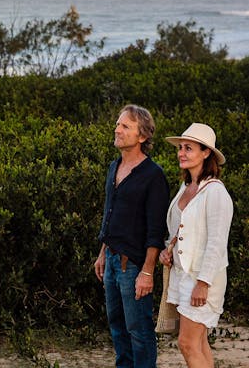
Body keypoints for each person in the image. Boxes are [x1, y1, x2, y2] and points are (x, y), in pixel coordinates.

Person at [95, 104, 170, 368]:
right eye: (118, 123)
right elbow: (109, 212)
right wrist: (102, 253)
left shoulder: (153, 175)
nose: (117, 129)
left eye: (125, 126)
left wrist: (147, 272)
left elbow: (155, 230)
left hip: (134, 265)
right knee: (117, 326)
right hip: (112, 260)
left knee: (138, 331)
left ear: (142, 136)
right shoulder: (113, 167)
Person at [159, 123, 233, 368]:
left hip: (203, 279)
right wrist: (167, 251)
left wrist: (203, 283)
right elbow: (179, 233)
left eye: (188, 148)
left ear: (206, 153)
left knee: (187, 343)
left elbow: (216, 242)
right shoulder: (185, 188)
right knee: (199, 343)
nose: (181, 152)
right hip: (182, 276)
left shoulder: (215, 193)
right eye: (180, 148)